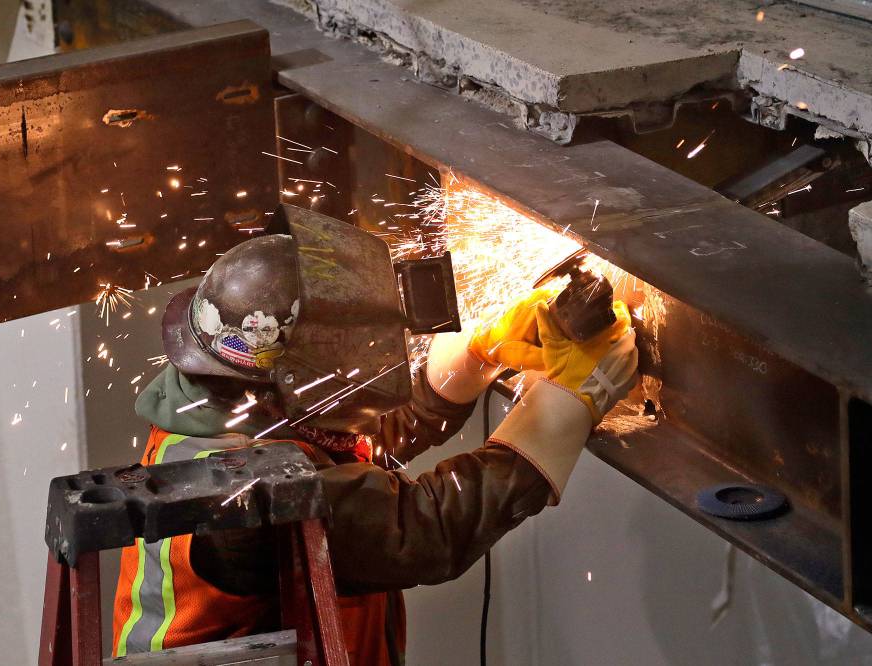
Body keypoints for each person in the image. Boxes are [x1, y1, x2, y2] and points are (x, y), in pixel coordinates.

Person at [112, 206, 638, 665]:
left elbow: (364, 445)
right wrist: (565, 404)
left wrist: (477, 355)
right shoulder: (246, 494)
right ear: (304, 380)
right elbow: (424, 529)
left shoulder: (226, 410)